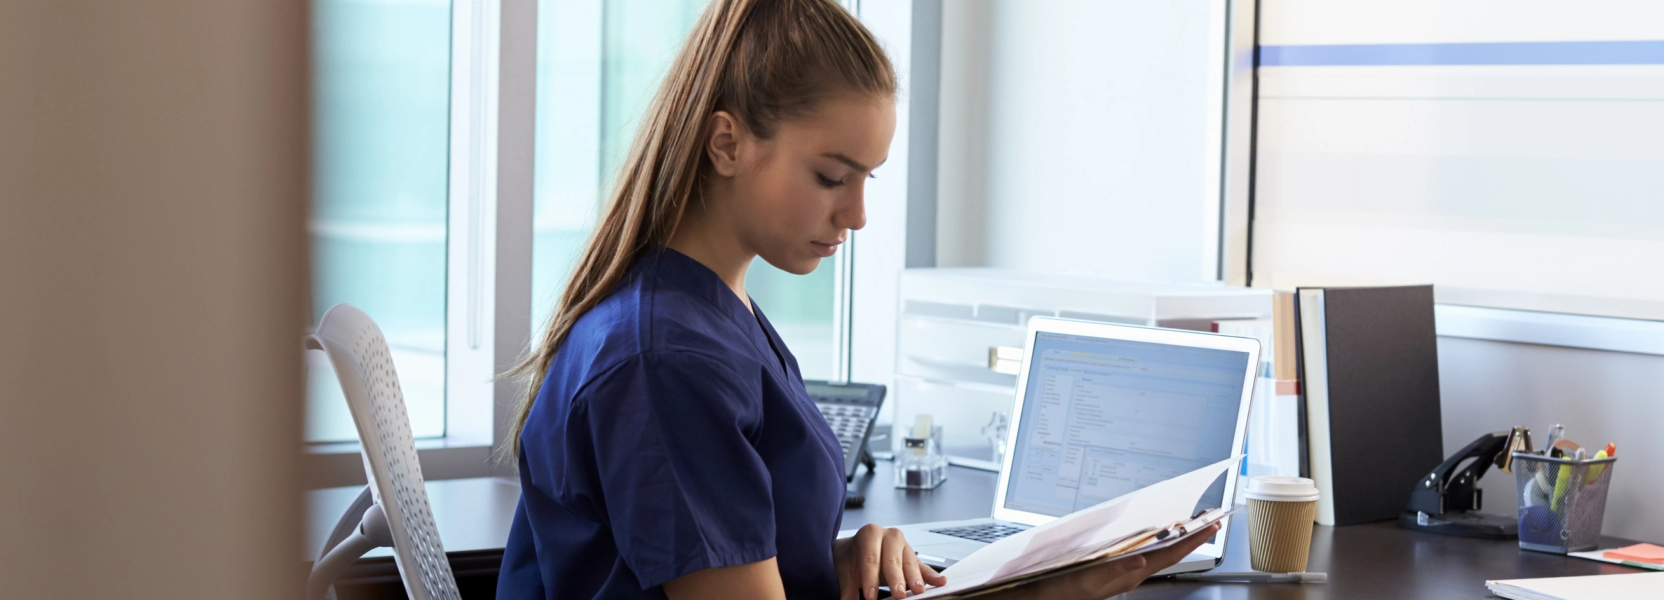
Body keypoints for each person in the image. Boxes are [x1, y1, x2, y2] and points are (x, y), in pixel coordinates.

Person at [496, 1, 1216, 598]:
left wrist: (830, 563)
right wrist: (1039, 591)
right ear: (726, 144)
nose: (858, 214)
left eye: (868, 177)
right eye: (832, 176)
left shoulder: (710, 311)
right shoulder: (668, 355)